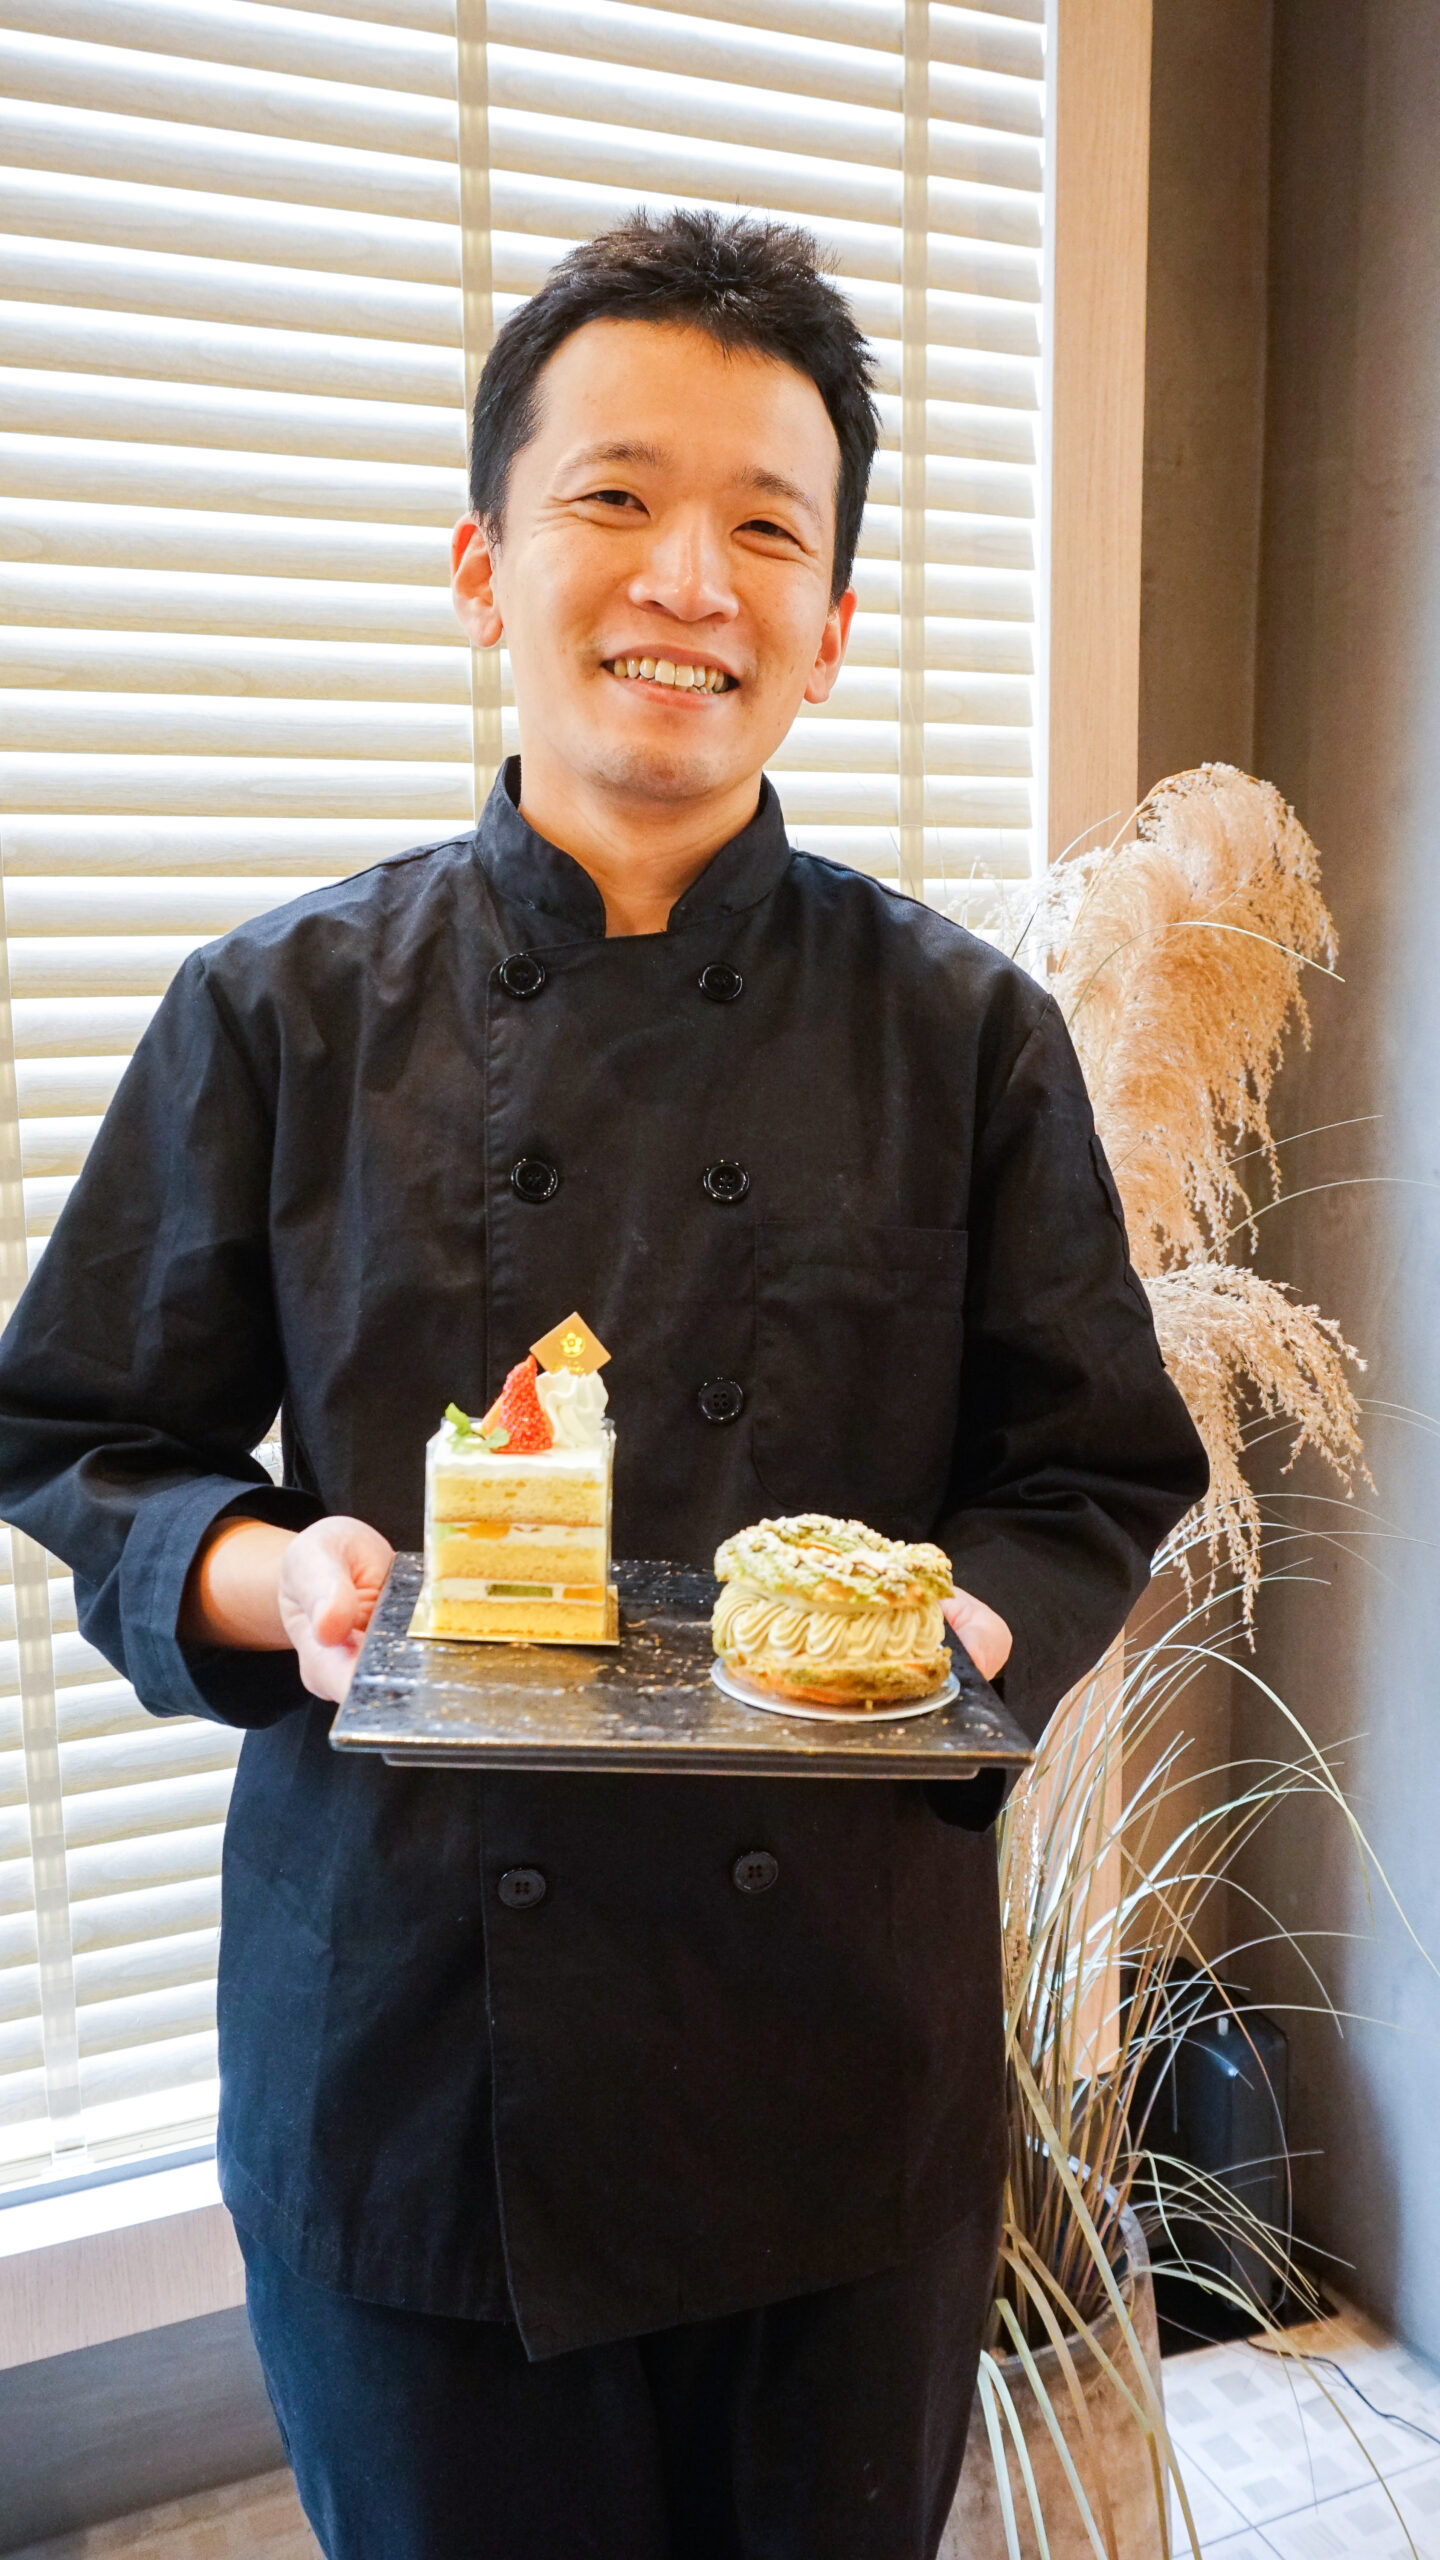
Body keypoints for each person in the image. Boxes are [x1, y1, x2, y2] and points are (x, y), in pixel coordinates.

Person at [0, 212, 1207, 2558]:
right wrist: (277, 1575)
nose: (688, 578)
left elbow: (1089, 1462)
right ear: (483, 566)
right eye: (617, 498)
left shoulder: (961, 1034)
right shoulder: (281, 1009)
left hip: (831, 2064)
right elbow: (82, 1435)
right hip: (413, 2064)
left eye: (767, 526)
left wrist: (966, 1626)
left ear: (830, 629)